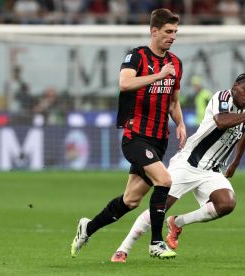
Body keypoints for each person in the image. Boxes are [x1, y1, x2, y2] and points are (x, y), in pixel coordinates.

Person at [110, 73, 245, 262]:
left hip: (212, 170)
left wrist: (235, 162)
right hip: (188, 163)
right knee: (160, 208)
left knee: (226, 203)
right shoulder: (222, 98)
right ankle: (123, 249)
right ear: (235, 86)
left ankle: (177, 223)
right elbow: (221, 121)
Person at [70, 8, 186, 260]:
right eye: (168, 31)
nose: (173, 36)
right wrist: (159, 75)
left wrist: (180, 123)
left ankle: (87, 228)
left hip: (159, 139)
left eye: (175, 32)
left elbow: (173, 101)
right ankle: (156, 243)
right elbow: (125, 83)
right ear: (154, 31)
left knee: (131, 201)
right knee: (165, 181)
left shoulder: (176, 63)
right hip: (135, 136)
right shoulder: (137, 56)